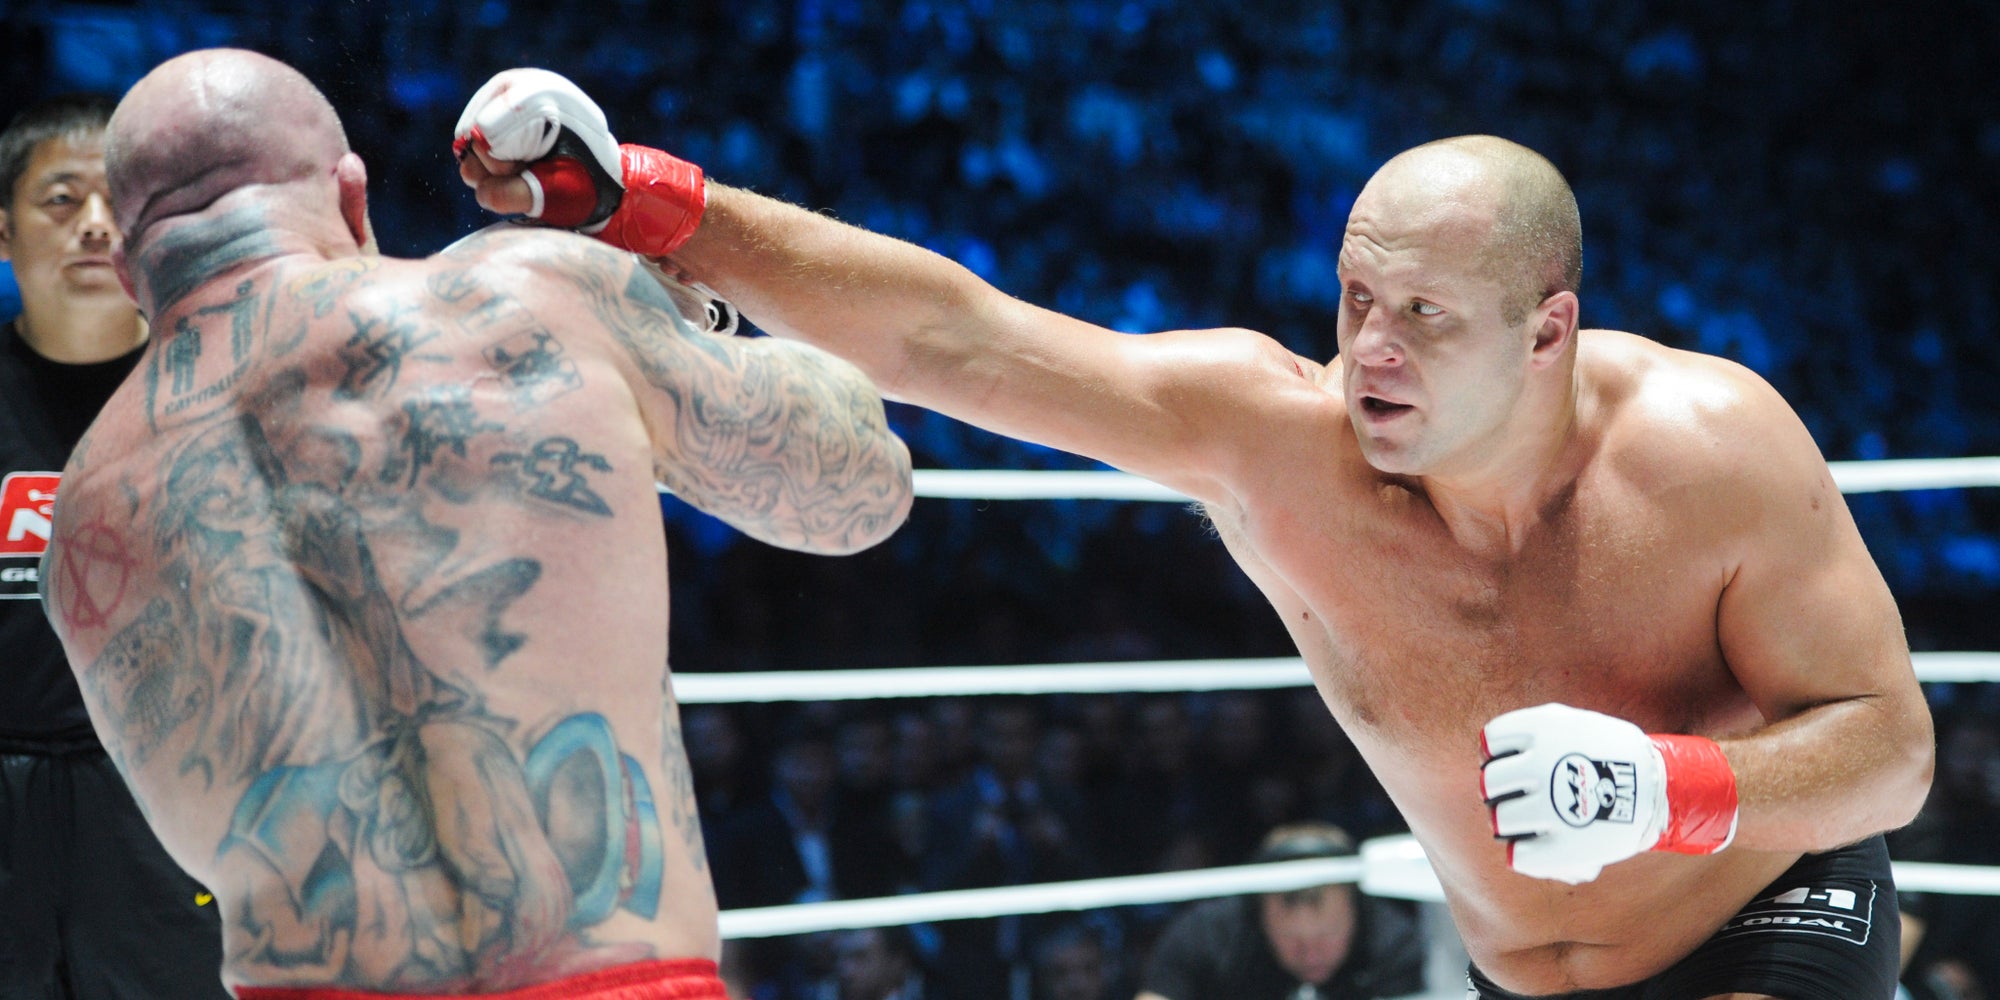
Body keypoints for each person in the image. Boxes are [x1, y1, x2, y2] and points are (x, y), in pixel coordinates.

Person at [455, 69, 1935, 1000]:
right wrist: (650, 205)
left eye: (1425, 316)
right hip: (1518, 972)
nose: (1373, 351)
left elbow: (1894, 749)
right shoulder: (1270, 441)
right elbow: (960, 342)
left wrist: (1663, 789)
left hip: (1764, 914)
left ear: (1550, 330)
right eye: (1358, 299)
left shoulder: (1714, 452)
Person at [39, 49, 912, 999]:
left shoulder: (80, 520)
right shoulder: (519, 298)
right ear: (352, 197)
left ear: (129, 270)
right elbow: (861, 490)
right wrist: (668, 314)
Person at [0, 93, 230, 999]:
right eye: (61, 200)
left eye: (118, 204)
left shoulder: (220, 390)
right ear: (4, 232)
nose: (95, 228)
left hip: (164, 803)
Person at [1137, 822, 1425, 1000]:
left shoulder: (1396, 942)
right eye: (1291, 938)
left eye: (1326, 935)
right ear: (1258, 913)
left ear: (1356, 910)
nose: (1311, 954)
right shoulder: (1206, 935)